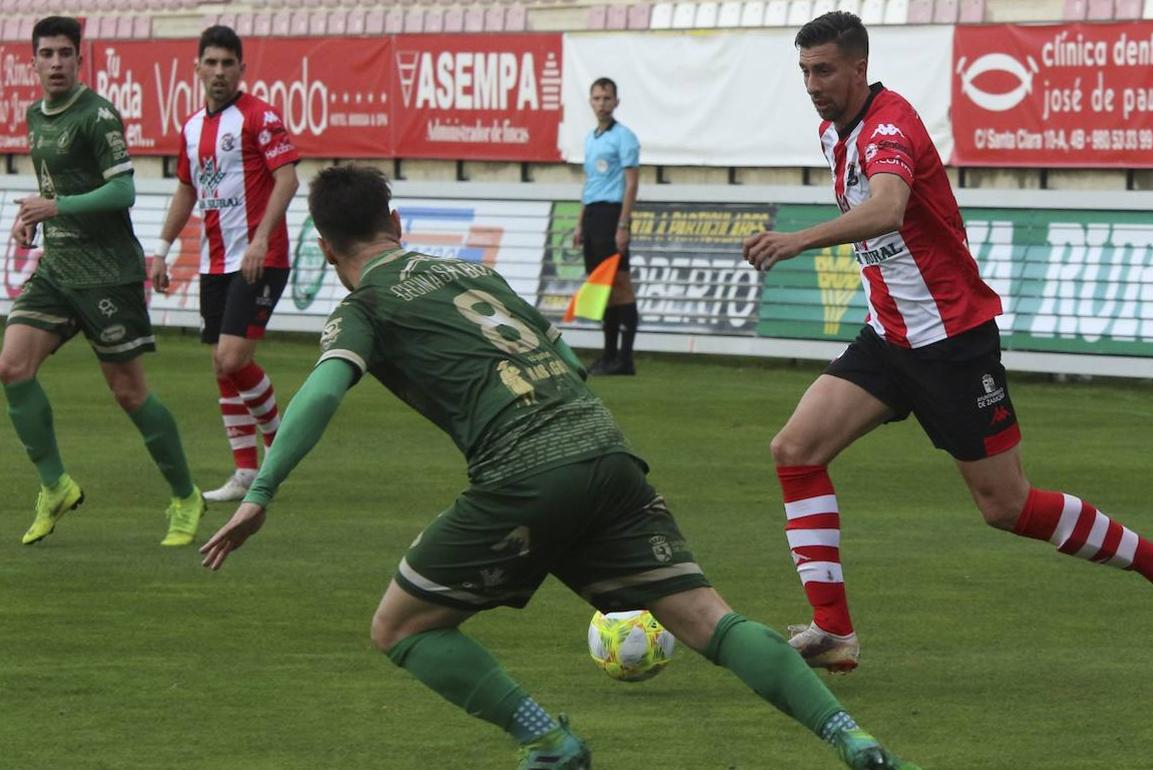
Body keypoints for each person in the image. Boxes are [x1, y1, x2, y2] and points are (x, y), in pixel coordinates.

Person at [199, 165, 923, 770]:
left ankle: (546, 738)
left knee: (401, 627)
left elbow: (324, 389)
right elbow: (571, 360)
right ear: (397, 220)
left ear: (326, 249)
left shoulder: (365, 304)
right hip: (606, 451)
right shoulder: (471, 270)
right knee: (711, 620)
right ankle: (852, 739)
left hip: (524, 471)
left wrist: (261, 491)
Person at [743, 11, 1153, 673]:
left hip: (951, 342)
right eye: (804, 72)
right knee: (794, 450)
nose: (812, 84)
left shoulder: (888, 127)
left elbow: (886, 209)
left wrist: (796, 238)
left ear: (858, 67)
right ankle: (834, 630)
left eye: (823, 70)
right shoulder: (834, 130)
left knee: (1006, 505)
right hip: (890, 338)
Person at [1, 16, 203, 546]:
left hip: (108, 274)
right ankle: (56, 486)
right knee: (12, 366)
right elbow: (54, 189)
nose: (56, 63)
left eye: (66, 53)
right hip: (58, 268)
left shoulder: (98, 116)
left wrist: (56, 205)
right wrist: (34, 220)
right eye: (46, 54)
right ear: (33, 61)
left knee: (129, 392)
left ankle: (186, 496)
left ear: (79, 58)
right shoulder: (34, 116)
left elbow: (123, 194)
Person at [152, 25, 300, 503]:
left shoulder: (261, 117)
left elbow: (288, 180)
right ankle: (244, 472)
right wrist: (162, 247)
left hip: (261, 258)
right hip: (216, 261)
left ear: (241, 69)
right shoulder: (193, 128)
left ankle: (280, 449)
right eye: (210, 63)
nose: (218, 72)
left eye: (227, 64)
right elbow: (187, 190)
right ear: (197, 69)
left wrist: (260, 240)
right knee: (222, 365)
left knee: (233, 357)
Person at [572, 77, 640, 376]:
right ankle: (609, 354)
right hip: (593, 218)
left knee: (621, 285)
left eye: (607, 98)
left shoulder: (624, 137)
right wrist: (579, 222)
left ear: (616, 102)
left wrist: (623, 224)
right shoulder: (591, 139)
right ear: (590, 101)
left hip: (613, 215)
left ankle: (625, 358)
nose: (602, 103)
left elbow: (631, 183)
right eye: (597, 98)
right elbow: (591, 182)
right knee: (602, 288)